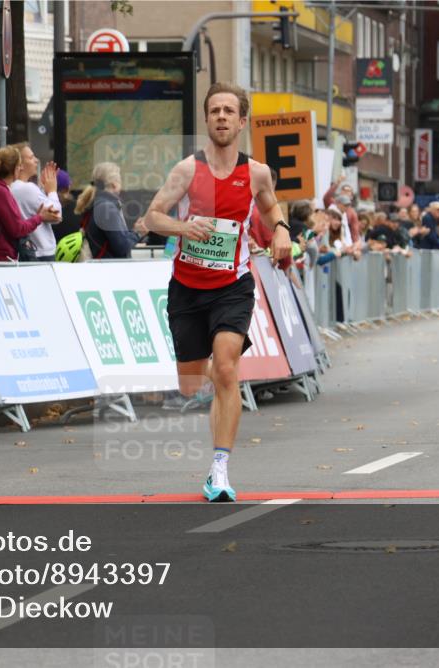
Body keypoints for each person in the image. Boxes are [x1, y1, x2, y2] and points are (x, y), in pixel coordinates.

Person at [145, 82, 291, 503]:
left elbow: (269, 204)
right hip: (188, 287)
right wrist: (182, 226)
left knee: (226, 366)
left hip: (233, 285)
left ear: (242, 121)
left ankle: (220, 469)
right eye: (215, 111)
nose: (222, 117)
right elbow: (154, 216)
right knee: (191, 382)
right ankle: (215, 380)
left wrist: (280, 228)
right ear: (207, 120)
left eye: (229, 111)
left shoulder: (257, 172)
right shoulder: (188, 170)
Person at [0, 146, 58, 262]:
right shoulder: (0, 192)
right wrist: (40, 217)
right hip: (2, 258)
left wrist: (36, 217)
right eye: (20, 165)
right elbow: (18, 229)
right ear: (16, 168)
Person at [74, 162, 145, 259]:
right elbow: (122, 247)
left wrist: (134, 232)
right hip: (110, 269)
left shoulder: (95, 203)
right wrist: (138, 233)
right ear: (114, 184)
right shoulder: (107, 208)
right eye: (120, 181)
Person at [10, 142, 62, 261]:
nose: (36, 160)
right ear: (20, 165)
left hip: (26, 252)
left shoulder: (13, 187)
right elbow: (57, 214)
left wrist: (44, 189)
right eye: (31, 157)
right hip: (40, 252)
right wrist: (52, 190)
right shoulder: (27, 188)